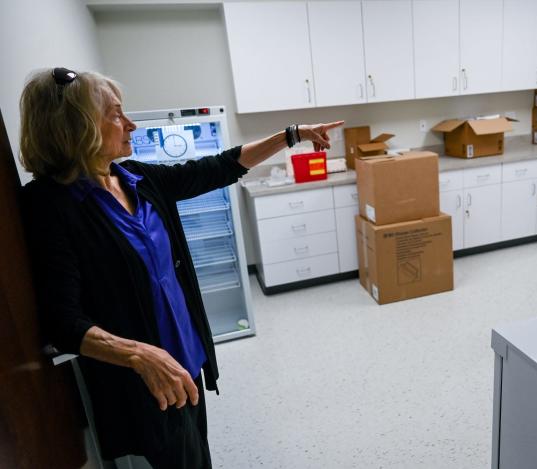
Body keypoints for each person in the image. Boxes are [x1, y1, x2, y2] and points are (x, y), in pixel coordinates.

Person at [19, 67, 343, 469]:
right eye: (117, 115)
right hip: (145, 381)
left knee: (196, 454)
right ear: (77, 125)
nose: (131, 124)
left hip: (186, 359)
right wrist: (140, 356)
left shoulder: (135, 177)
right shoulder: (50, 205)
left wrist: (290, 135)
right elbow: (62, 321)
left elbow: (218, 167)